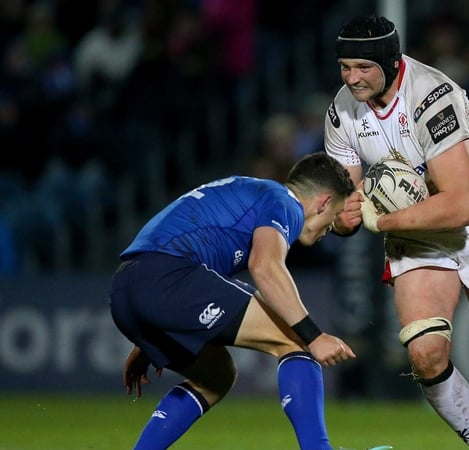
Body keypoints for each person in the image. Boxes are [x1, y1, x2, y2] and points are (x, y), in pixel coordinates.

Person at [325, 15, 469, 450]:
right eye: (345, 66)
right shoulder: (341, 111)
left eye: (362, 68)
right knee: (425, 354)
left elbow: (458, 205)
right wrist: (345, 217)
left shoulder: (432, 97)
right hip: (417, 232)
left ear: (391, 64)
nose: (351, 78)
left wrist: (381, 220)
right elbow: (346, 196)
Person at [109, 152, 388, 450]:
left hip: (127, 289)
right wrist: (314, 336)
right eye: (332, 218)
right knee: (296, 342)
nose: (327, 231)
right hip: (167, 276)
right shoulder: (285, 203)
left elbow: (172, 245)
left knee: (215, 378)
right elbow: (265, 267)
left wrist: (147, 338)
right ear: (322, 202)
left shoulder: (252, 192)